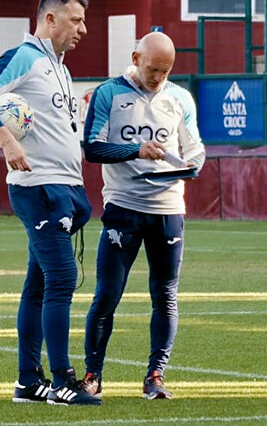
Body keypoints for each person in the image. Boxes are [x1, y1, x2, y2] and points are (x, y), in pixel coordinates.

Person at [0, 0, 102, 406]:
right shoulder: (25, 56)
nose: (83, 28)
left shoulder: (60, 68)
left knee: (39, 284)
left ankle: (29, 381)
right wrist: (7, 141)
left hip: (63, 189)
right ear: (50, 20)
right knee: (60, 279)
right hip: (38, 187)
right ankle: (62, 381)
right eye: (75, 20)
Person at [79, 31, 205, 400]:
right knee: (107, 295)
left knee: (165, 295)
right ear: (135, 58)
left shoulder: (180, 97)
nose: (158, 78)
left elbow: (193, 143)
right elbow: (93, 148)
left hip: (168, 209)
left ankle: (156, 375)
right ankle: (93, 375)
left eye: (166, 71)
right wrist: (136, 150)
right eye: (153, 69)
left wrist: (194, 161)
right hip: (123, 207)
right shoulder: (108, 93)